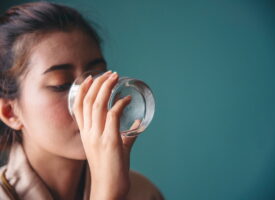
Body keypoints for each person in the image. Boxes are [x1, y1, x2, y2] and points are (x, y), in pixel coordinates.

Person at [0, 2, 164, 200]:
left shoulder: (143, 193)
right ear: (10, 112)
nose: (89, 99)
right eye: (61, 84)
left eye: (97, 77)